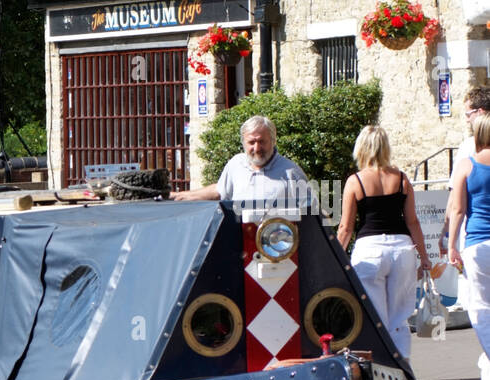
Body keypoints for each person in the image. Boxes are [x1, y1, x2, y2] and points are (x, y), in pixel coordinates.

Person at [336, 125, 430, 361]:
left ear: (361, 148)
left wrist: (336, 257)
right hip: (401, 248)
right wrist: (424, 257)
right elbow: (413, 222)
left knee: (374, 316)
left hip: (370, 250)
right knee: (400, 316)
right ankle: (403, 367)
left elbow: (346, 227)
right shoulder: (401, 179)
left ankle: (379, 367)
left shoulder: (355, 181)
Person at [172, 115, 315, 207]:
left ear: (273, 141)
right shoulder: (236, 164)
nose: (257, 148)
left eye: (262, 142)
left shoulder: (291, 172)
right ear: (243, 143)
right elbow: (220, 191)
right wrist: (178, 196)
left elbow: (312, 213)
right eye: (251, 142)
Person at [447, 112, 490, 380]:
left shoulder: (467, 165)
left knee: (480, 309)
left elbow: (458, 208)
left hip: (477, 246)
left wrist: (451, 244)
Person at [441, 87, 490, 312]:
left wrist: (446, 234)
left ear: (480, 112)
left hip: (476, 236)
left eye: (468, 114)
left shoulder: (468, 149)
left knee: (479, 303)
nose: (467, 119)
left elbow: (455, 201)